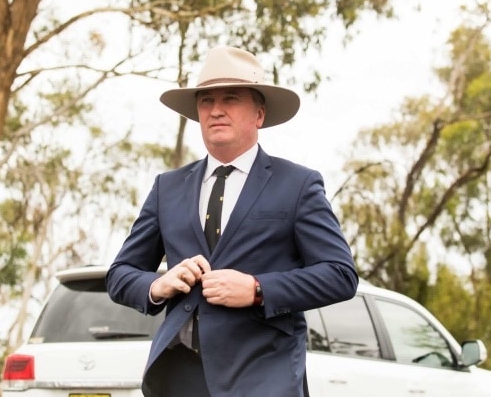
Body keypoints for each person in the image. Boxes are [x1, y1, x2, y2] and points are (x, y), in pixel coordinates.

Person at [106, 45, 358, 397]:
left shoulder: (298, 185)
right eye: (206, 101)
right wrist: (158, 285)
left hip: (262, 377)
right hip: (178, 379)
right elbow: (119, 275)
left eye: (231, 98)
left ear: (259, 114)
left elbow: (340, 275)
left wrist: (257, 289)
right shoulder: (167, 188)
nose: (216, 110)